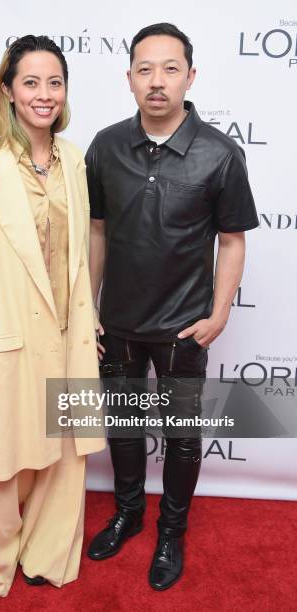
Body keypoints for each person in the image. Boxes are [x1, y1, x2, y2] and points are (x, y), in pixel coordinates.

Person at [86, 22, 258, 590]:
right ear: (129, 78)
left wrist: (220, 313)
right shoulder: (105, 146)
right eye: (144, 69)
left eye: (169, 69)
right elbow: (98, 232)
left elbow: (232, 240)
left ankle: (171, 532)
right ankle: (130, 513)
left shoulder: (220, 154)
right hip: (119, 326)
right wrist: (89, 305)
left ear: (190, 75)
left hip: (185, 329)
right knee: (123, 427)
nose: (156, 81)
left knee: (182, 434)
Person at [0, 35, 105, 598]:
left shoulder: (75, 159)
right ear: (8, 91)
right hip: (8, 336)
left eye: (54, 82)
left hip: (69, 333)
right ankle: (1, 560)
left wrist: (89, 317)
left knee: (65, 455)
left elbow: (79, 250)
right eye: (31, 83)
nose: (45, 95)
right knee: (7, 462)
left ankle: (47, 555)